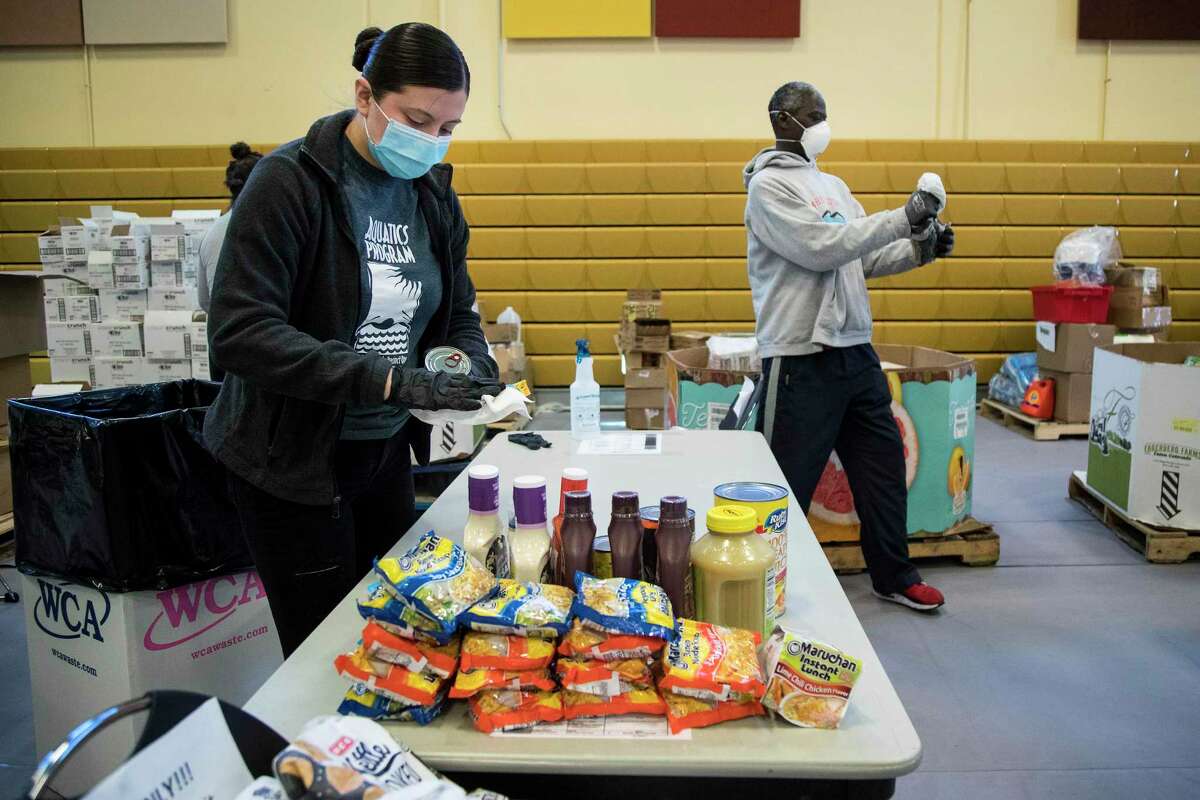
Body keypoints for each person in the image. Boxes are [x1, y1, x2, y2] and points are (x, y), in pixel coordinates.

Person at [204, 22, 504, 655]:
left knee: (404, 634)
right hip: (292, 463)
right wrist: (390, 379)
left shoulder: (432, 196)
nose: (430, 142)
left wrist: (473, 361)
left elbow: (456, 310)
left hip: (384, 451)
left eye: (447, 129)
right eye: (417, 121)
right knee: (323, 651)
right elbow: (242, 331)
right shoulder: (290, 184)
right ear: (365, 95)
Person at [744, 81, 954, 612]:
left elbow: (863, 259)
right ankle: (759, 584)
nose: (821, 123)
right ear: (782, 121)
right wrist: (902, 218)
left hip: (855, 352)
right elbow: (821, 248)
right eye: (811, 114)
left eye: (823, 112)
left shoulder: (833, 187)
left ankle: (893, 573)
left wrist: (920, 247)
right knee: (784, 484)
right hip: (800, 358)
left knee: (882, 469)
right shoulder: (767, 189)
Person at [197, 142, 263, 316]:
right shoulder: (269, 228)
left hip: (223, 333)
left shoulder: (211, 233)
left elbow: (204, 301)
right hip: (261, 335)